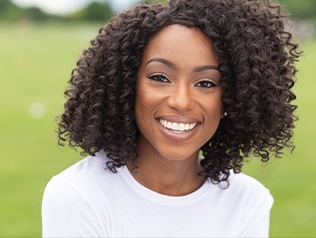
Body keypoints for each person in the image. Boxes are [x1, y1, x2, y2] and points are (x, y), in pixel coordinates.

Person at [42, 0, 300, 237]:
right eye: (160, 77)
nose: (181, 101)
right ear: (127, 86)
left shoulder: (246, 201)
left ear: (232, 99)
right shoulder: (79, 195)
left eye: (206, 83)